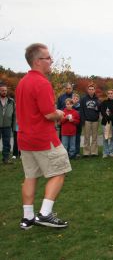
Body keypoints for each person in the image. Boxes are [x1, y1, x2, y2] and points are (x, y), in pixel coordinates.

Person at [17, 43, 71, 229]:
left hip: (25, 139)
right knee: (59, 172)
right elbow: (48, 114)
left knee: (30, 177)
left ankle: (27, 217)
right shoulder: (41, 82)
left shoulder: (23, 82)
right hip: (43, 138)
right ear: (37, 61)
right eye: (48, 58)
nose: (51, 61)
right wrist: (61, 113)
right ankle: (45, 214)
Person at [81, 84, 101, 157]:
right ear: (87, 90)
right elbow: (81, 110)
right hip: (87, 120)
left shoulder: (97, 99)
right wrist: (82, 120)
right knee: (86, 137)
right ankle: (86, 152)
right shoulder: (83, 99)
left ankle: (94, 152)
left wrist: (98, 108)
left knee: (94, 137)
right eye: (90, 89)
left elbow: (99, 109)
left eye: (92, 89)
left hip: (95, 120)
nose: (91, 90)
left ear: (94, 90)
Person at [100, 89, 113, 158]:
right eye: (109, 93)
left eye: (111, 93)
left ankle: (111, 151)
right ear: (107, 94)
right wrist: (106, 117)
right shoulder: (104, 102)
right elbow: (102, 110)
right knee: (105, 137)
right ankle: (105, 152)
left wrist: (110, 117)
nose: (110, 94)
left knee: (112, 138)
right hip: (105, 122)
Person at [0, 82, 16, 164]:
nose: (4, 92)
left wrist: (13, 127)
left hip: (7, 126)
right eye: (2, 90)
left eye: (5, 90)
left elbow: (14, 115)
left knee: (7, 143)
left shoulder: (11, 101)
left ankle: (6, 159)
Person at [72, 93, 82, 157]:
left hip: (78, 125)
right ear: (72, 99)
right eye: (74, 98)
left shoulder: (80, 107)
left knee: (77, 139)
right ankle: (72, 152)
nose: (75, 100)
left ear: (78, 99)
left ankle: (77, 152)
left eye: (77, 99)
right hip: (71, 126)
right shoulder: (70, 106)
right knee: (72, 139)